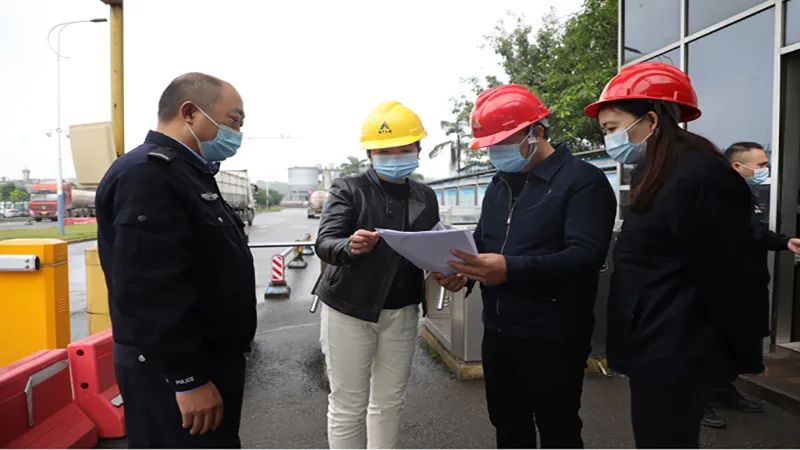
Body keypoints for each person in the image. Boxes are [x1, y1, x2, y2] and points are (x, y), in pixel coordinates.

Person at [584, 62, 768, 448]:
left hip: (677, 344)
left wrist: (738, 349)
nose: (609, 140)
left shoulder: (701, 176)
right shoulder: (656, 169)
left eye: (613, 128)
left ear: (651, 120)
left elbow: (728, 273)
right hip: (654, 338)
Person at [435, 84, 617, 448]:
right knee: (507, 422)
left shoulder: (583, 181)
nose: (495, 152)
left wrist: (510, 269)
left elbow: (586, 256)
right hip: (499, 329)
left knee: (557, 426)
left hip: (554, 332)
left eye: (503, 142)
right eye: (490, 145)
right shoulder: (499, 185)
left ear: (537, 132)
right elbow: (484, 242)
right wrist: (464, 274)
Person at [96, 72, 255, 448]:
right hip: (176, 375)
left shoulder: (188, 173)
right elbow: (149, 290)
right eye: (233, 121)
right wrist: (188, 379)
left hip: (209, 362)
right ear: (190, 113)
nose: (237, 133)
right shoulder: (147, 175)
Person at [314, 101, 440, 449]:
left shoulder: (425, 196)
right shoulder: (348, 188)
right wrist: (349, 246)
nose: (395, 156)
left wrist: (448, 267)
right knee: (348, 404)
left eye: (404, 149)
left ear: (418, 150)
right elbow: (325, 242)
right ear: (370, 154)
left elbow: (431, 247)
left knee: (389, 402)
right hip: (349, 308)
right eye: (385, 151)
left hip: (402, 310)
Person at [700, 142, 800, 428]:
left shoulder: (743, 194)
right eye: (761, 165)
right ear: (737, 166)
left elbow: (754, 231)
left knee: (734, 344)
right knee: (712, 345)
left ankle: (724, 391)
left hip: (746, 286)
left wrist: (784, 242)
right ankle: (699, 400)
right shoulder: (714, 195)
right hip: (721, 287)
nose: (765, 170)